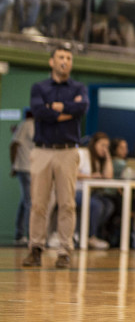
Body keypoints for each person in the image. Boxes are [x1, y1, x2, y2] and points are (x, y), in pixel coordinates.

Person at [23, 45, 89, 269]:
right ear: (52, 61)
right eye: (61, 57)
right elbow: (40, 112)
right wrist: (65, 112)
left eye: (69, 58)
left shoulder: (79, 87)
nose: (65, 61)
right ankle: (35, 249)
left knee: (67, 204)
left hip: (68, 151)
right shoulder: (39, 87)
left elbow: (82, 108)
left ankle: (64, 252)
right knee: (38, 203)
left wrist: (59, 110)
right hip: (42, 150)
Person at [74, 132, 115, 250]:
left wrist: (108, 157)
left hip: (91, 193)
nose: (104, 149)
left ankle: (89, 234)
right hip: (76, 191)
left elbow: (108, 176)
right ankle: (89, 236)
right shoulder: (82, 154)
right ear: (94, 144)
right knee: (96, 205)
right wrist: (90, 177)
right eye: (102, 145)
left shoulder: (99, 160)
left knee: (108, 205)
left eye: (107, 146)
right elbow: (72, 173)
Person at [10, 110, 35, 246]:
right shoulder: (27, 124)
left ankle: (19, 234)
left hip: (34, 169)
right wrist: (13, 165)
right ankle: (31, 236)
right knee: (29, 202)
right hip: (24, 168)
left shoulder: (41, 126)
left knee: (24, 201)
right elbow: (13, 145)